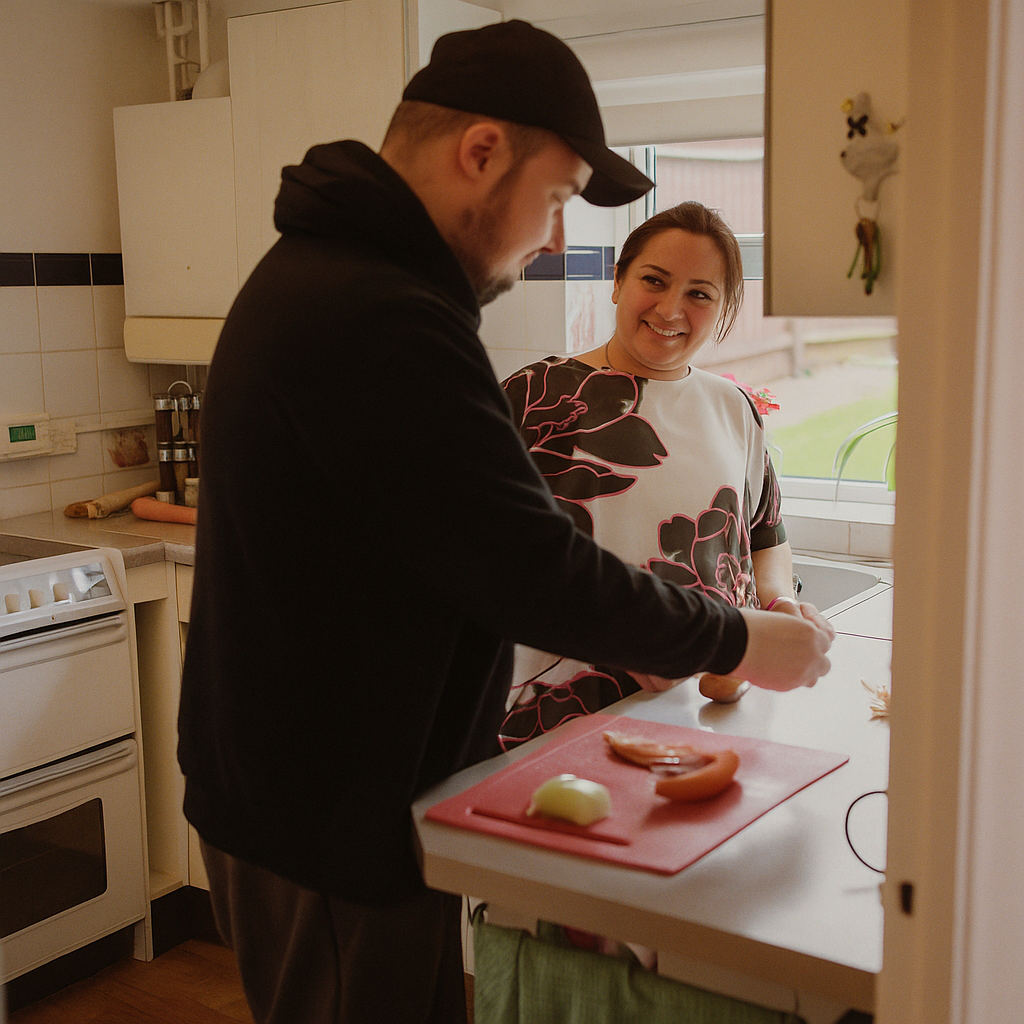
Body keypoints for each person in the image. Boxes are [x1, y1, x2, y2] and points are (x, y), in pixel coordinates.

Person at [177, 20, 834, 1024]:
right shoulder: (379, 315)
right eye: (560, 196)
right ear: (480, 151)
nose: (556, 237)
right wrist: (743, 637)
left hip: (315, 790)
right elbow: (531, 567)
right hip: (324, 812)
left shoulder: (343, 278)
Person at [499, 201, 817, 748]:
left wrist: (778, 603)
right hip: (564, 704)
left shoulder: (735, 407)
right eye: (654, 280)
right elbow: (495, 561)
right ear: (618, 282)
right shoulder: (537, 395)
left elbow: (765, 535)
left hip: (705, 706)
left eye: (699, 293)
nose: (671, 309)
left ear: (723, 309)